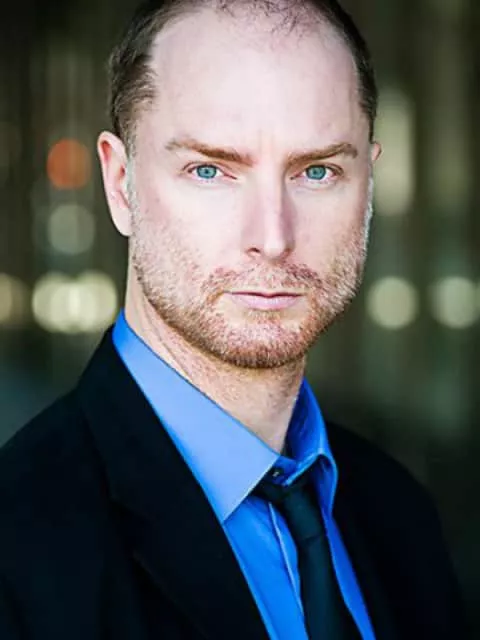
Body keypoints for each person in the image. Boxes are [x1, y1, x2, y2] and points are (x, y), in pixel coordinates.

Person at [0, 0, 467, 638]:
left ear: (368, 187)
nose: (272, 238)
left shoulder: (399, 512)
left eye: (318, 171)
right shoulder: (18, 551)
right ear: (119, 183)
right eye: (211, 170)